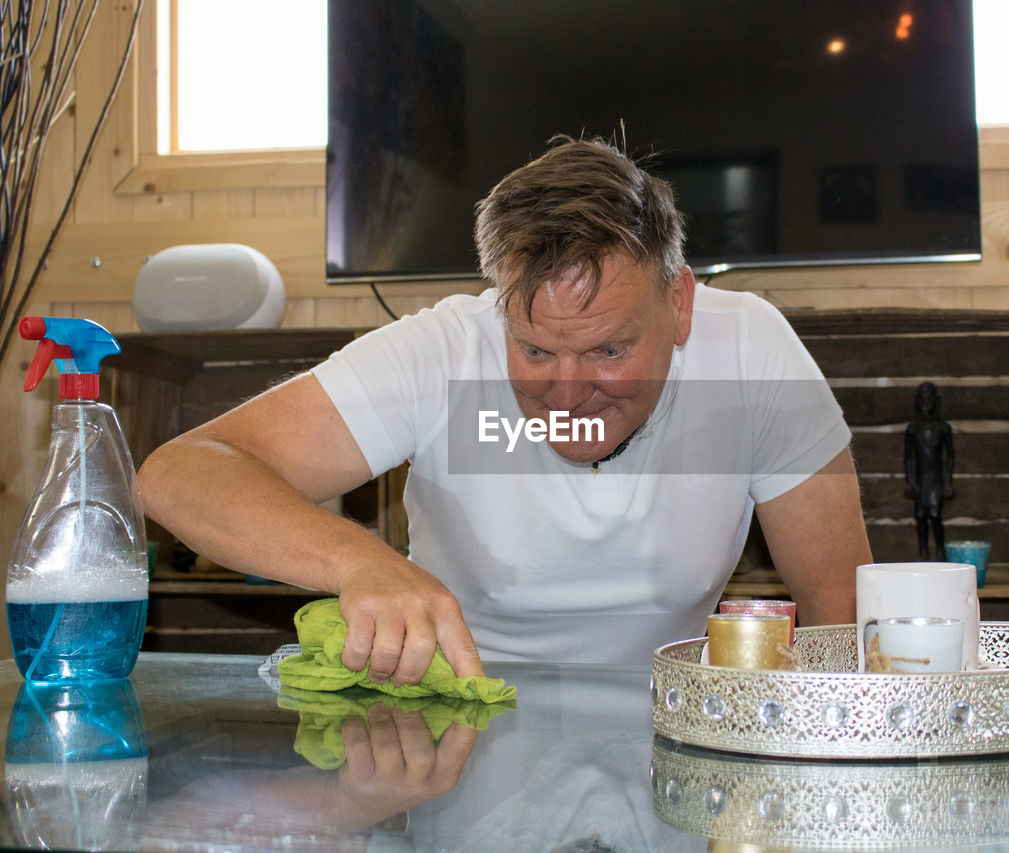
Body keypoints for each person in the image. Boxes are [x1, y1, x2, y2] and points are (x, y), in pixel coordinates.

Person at [136, 136, 873, 685]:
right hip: (456, 732)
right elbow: (181, 473)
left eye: (610, 351)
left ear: (678, 304)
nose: (569, 391)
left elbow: (839, 602)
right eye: (535, 351)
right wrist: (363, 562)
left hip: (662, 734)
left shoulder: (750, 349)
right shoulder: (443, 350)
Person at [903, 380, 954, 560]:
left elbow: (950, 457)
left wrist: (947, 481)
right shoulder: (912, 429)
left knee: (935, 515)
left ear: (936, 400)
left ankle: (940, 552)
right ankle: (923, 553)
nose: (925, 403)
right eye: (922, 399)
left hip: (936, 479)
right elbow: (909, 458)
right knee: (920, 516)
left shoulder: (943, 428)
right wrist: (909, 481)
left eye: (929, 399)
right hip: (920, 479)